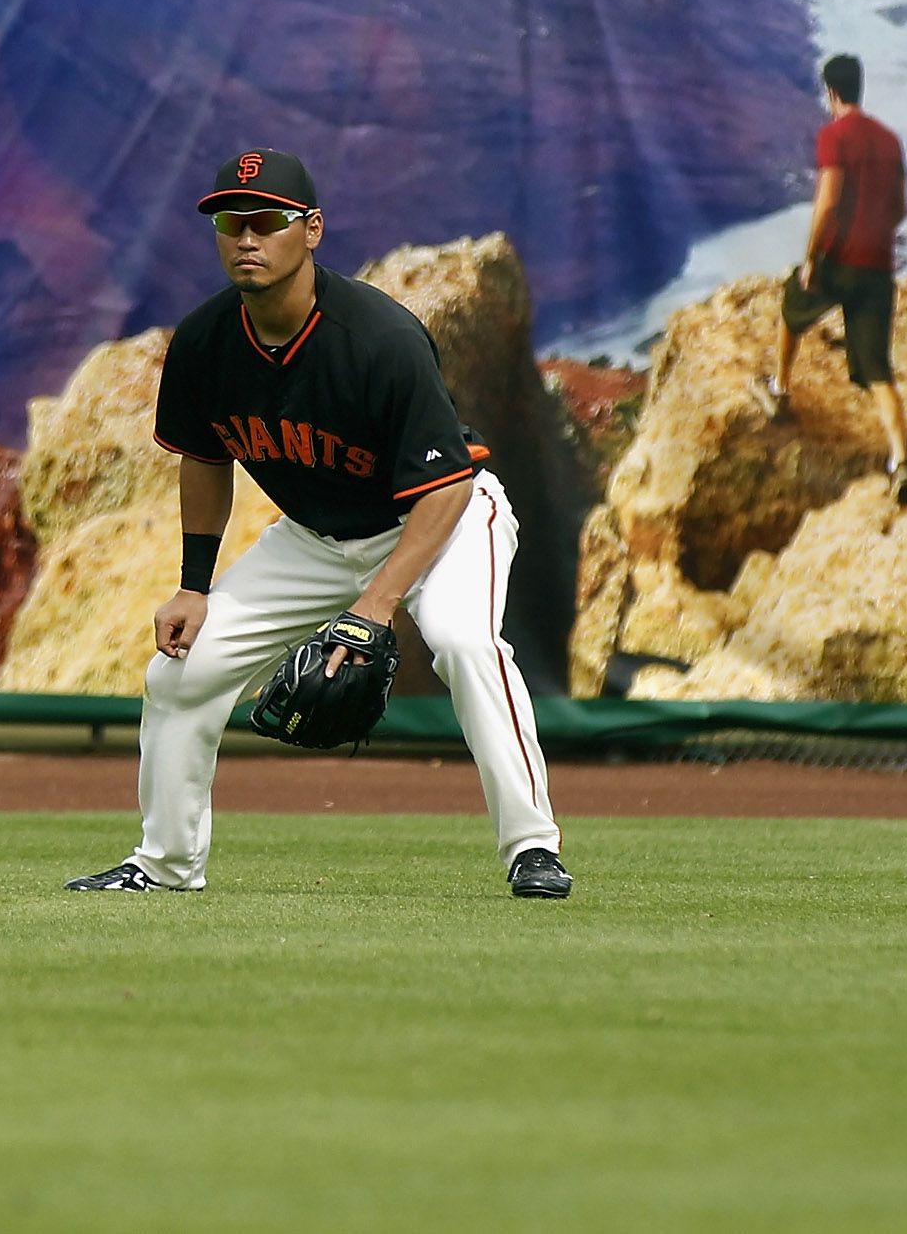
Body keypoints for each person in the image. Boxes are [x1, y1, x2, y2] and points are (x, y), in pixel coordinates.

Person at [64, 150, 569, 898]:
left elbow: (445, 487)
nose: (246, 238)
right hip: (315, 539)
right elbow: (203, 461)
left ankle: (533, 848)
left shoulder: (379, 336)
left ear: (312, 231)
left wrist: (378, 604)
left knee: (466, 642)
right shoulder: (204, 344)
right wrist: (192, 587)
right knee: (179, 674)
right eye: (231, 222)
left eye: (267, 222)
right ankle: (164, 864)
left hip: (446, 519)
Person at [754, 54, 907, 504]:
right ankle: (901, 460)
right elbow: (901, 207)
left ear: (831, 92)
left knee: (791, 308)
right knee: (878, 371)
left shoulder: (833, 137)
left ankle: (780, 390)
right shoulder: (889, 140)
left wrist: (811, 257)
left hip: (839, 259)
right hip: (879, 266)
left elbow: (826, 203)